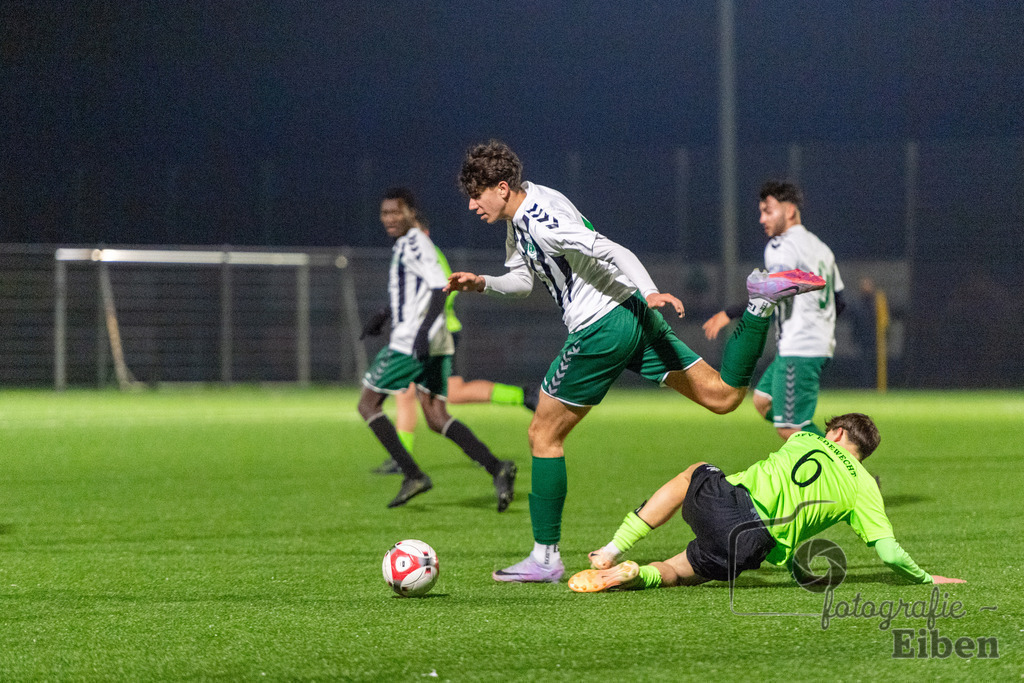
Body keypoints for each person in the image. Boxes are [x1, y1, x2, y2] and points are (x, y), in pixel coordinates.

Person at [447, 140, 826, 583]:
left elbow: (613, 250)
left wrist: (652, 290)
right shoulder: (525, 213)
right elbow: (522, 280)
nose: (472, 205)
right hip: (631, 315)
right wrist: (483, 283)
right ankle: (759, 306)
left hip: (601, 327)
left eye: (477, 195)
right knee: (723, 397)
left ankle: (545, 557)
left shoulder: (541, 220)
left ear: (502, 187)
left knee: (542, 434)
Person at [569, 413, 964, 592]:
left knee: (694, 471)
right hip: (751, 543)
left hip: (727, 503)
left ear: (836, 433)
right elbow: (889, 553)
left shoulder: (805, 439)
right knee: (679, 569)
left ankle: (612, 550)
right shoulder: (865, 488)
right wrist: (926, 579)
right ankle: (637, 576)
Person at [356, 187, 517, 510]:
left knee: (368, 404)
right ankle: (497, 467)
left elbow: (440, 287)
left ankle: (412, 475)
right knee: (435, 416)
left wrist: (421, 332)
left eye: (396, 212)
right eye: (385, 213)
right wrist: (383, 315)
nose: (389, 218)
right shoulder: (408, 243)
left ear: (411, 213)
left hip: (411, 341)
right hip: (433, 340)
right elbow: (413, 290)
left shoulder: (415, 242)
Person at [702, 180, 845, 439]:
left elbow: (772, 290)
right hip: (815, 343)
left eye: (767, 211)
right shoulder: (820, 247)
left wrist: (730, 313)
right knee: (763, 401)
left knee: (789, 427)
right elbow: (839, 300)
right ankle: (831, 449)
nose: (762, 219)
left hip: (799, 346)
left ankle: (844, 459)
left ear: (789, 211)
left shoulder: (782, 245)